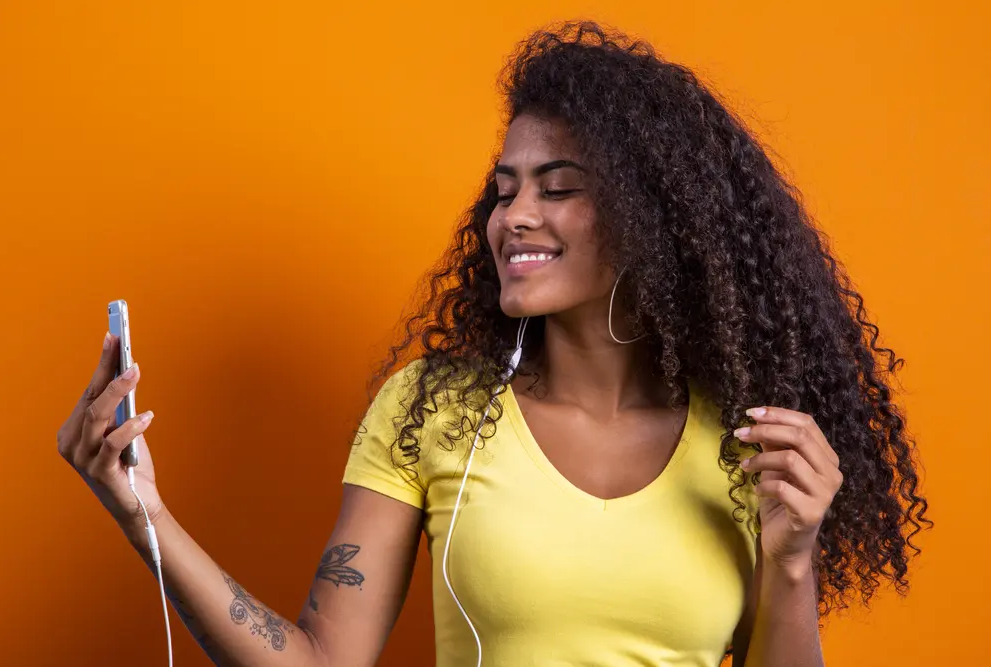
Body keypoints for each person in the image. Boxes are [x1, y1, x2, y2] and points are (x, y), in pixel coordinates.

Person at [57, 21, 931, 667]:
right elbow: (319, 662)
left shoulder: (750, 444)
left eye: (558, 189)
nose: (513, 216)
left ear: (649, 223)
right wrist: (146, 515)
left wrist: (790, 556)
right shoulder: (434, 410)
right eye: (505, 190)